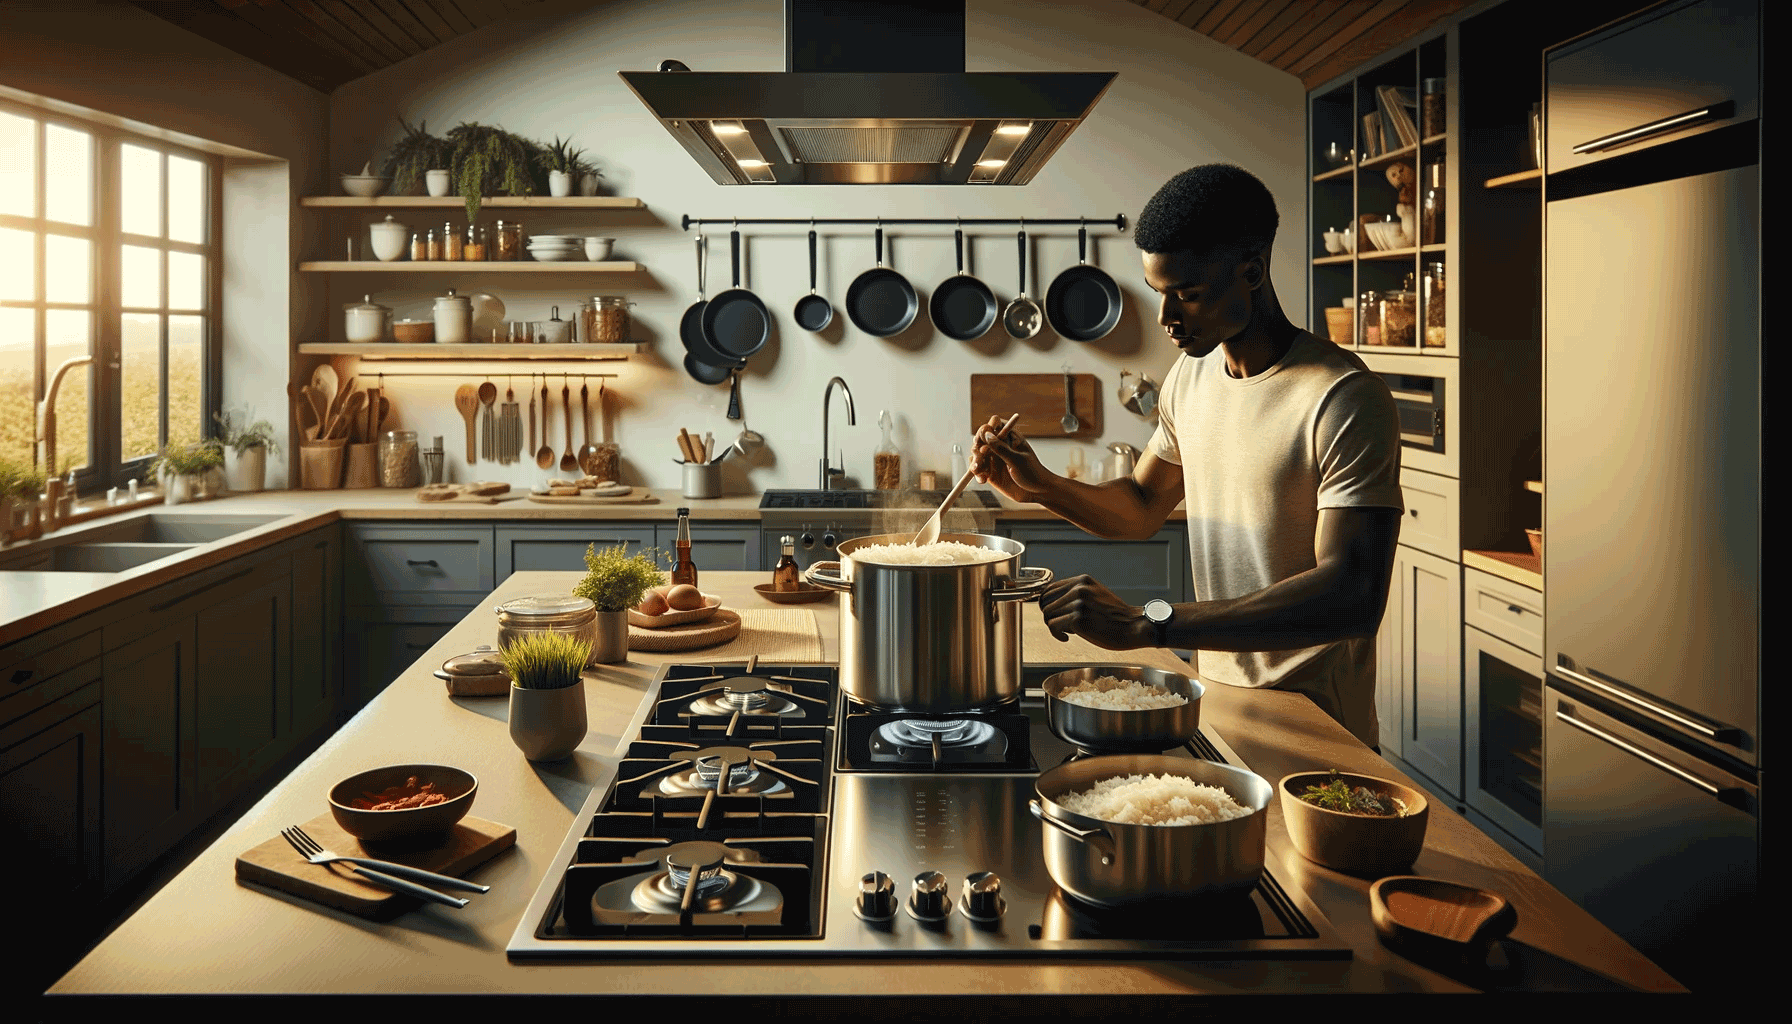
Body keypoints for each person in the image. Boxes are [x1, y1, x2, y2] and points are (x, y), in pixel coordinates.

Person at [970, 164, 1404, 749]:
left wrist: (1147, 621)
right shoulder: (1190, 377)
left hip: (1321, 726)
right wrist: (1040, 485)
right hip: (1218, 702)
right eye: (1159, 293)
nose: (1165, 318)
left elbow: (1352, 596)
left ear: (1252, 273)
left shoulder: (1342, 397)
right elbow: (1142, 504)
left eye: (1188, 296)